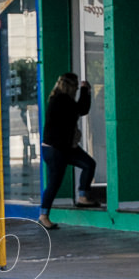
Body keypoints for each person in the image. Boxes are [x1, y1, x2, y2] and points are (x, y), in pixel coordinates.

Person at [39, 73, 99, 229]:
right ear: (71, 86)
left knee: (89, 164)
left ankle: (83, 196)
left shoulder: (59, 99)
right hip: (56, 149)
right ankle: (44, 215)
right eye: (77, 86)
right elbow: (82, 109)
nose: (77, 88)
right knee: (54, 182)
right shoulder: (61, 100)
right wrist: (86, 91)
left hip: (63, 147)